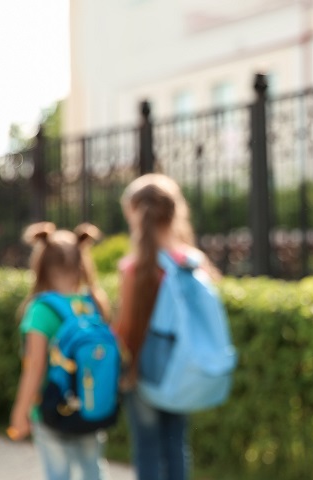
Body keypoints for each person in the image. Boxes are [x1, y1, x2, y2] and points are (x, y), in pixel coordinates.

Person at [113, 173, 221, 480]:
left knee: (147, 448)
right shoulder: (192, 261)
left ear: (134, 214)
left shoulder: (135, 268)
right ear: (175, 212)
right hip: (181, 368)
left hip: (144, 374)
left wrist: (123, 366)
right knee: (176, 445)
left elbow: (127, 326)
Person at [9, 221, 111, 480]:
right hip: (91, 404)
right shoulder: (93, 303)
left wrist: (20, 412)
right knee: (93, 470)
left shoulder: (41, 310)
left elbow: (35, 367)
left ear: (40, 266)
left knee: (58, 473)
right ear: (81, 263)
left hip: (50, 408)